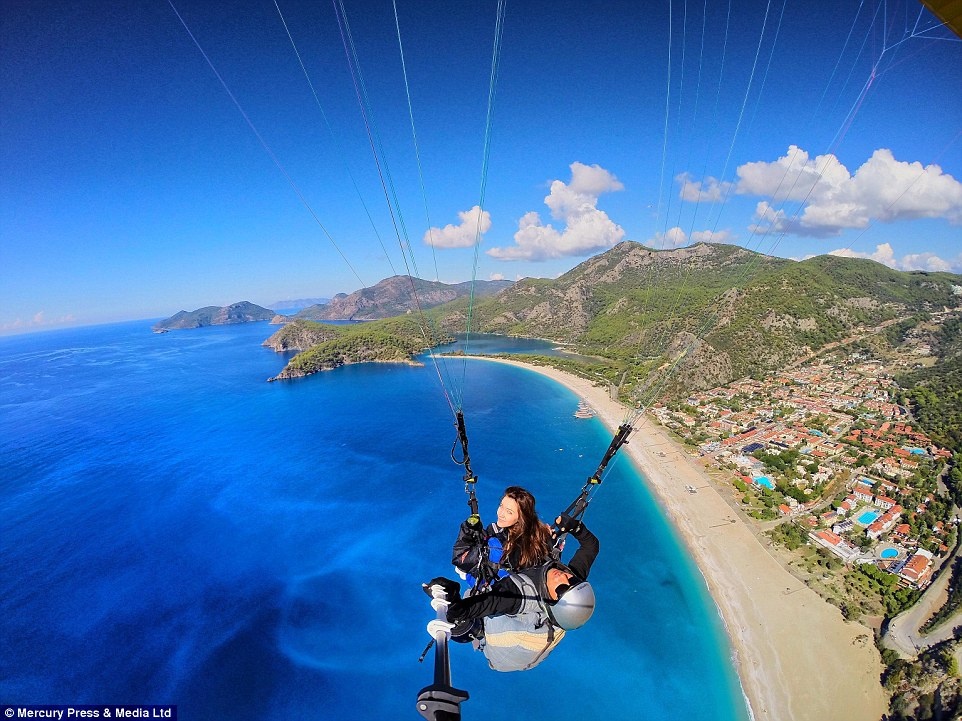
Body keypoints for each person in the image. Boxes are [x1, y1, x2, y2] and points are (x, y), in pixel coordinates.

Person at [427, 514, 599, 672]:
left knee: (470, 612)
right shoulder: (571, 583)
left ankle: (476, 632)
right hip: (545, 624)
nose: (565, 577)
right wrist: (577, 528)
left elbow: (484, 604)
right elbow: (591, 547)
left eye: (562, 588)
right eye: (574, 581)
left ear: (551, 601)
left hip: (505, 644)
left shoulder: (521, 595)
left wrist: (451, 596)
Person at [451, 486, 553, 586]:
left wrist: (467, 530)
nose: (501, 514)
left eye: (509, 512)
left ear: (521, 517)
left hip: (492, 590)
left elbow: (460, 561)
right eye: (501, 506)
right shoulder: (539, 535)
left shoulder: (499, 543)